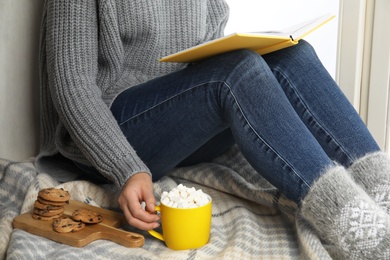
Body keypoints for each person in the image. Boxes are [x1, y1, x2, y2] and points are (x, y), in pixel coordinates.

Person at [37, 0, 390, 258]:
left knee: (292, 54)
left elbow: (209, 49)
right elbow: (72, 85)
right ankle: (360, 231)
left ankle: (384, 195)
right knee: (237, 70)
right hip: (114, 132)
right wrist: (126, 169)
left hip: (183, 124)